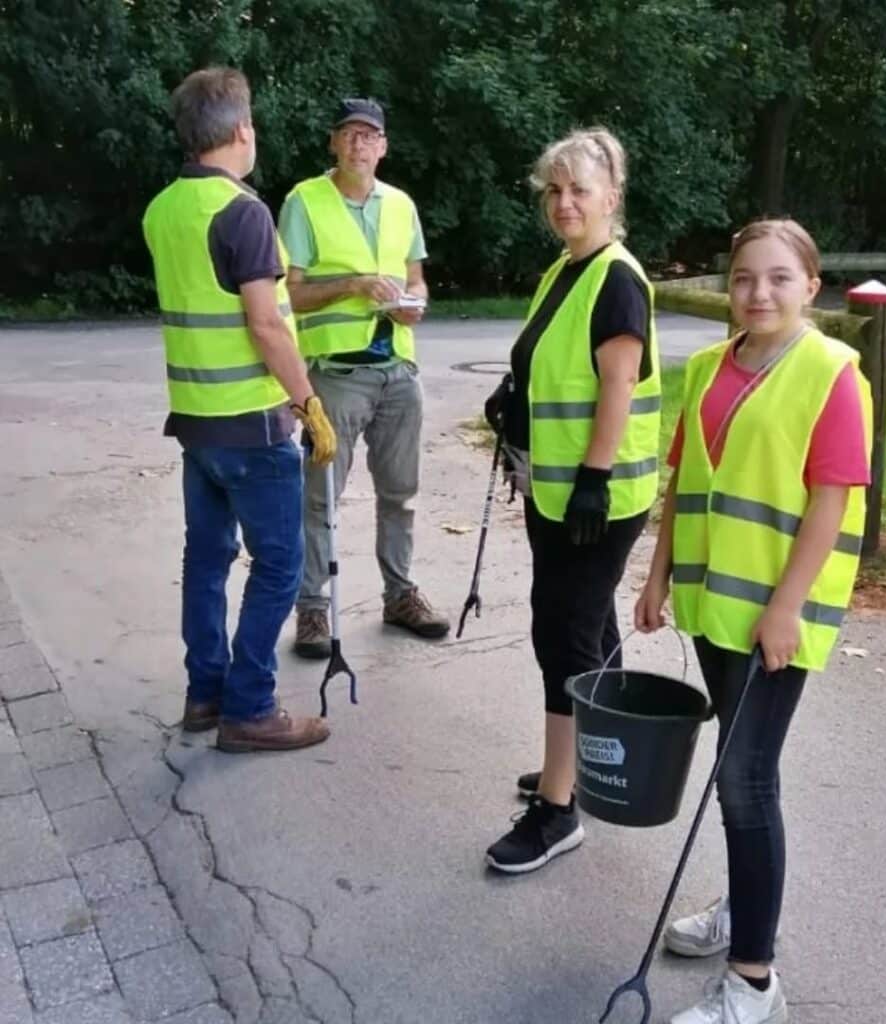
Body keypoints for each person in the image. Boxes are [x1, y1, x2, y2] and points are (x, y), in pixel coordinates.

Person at [633, 218, 873, 1024]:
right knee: (737, 774)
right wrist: (657, 575)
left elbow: (832, 502)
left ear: (812, 286)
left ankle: (753, 980)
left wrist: (786, 609)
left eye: (778, 278)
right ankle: (745, 906)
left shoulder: (831, 373)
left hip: (775, 619)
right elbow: (684, 482)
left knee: (746, 777)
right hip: (712, 607)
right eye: (742, 278)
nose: (758, 292)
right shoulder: (708, 366)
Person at [142, 67, 337, 752]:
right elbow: (266, 324)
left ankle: (205, 693)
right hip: (254, 425)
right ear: (241, 130)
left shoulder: (163, 209)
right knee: (279, 565)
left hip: (196, 423)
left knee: (207, 557)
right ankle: (250, 708)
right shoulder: (243, 212)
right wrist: (309, 404)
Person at [483, 128, 661, 874]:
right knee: (586, 626)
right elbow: (557, 363)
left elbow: (618, 383)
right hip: (557, 491)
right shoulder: (567, 269)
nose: (564, 203)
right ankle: (592, 760)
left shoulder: (615, 278)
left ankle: (558, 811)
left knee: (562, 637)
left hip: (595, 497)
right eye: (553, 191)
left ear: (611, 197)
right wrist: (513, 396)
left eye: (579, 190)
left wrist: (593, 477)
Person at [278, 97, 449, 656]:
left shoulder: (400, 205)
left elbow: (416, 279)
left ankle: (400, 595)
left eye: (369, 136)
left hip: (397, 370)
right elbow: (289, 293)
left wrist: (413, 302)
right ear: (333, 142)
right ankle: (312, 610)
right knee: (320, 497)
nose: (359, 144)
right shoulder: (305, 201)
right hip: (336, 375)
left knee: (401, 493)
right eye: (349, 134)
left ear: (383, 147)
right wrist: (352, 285)